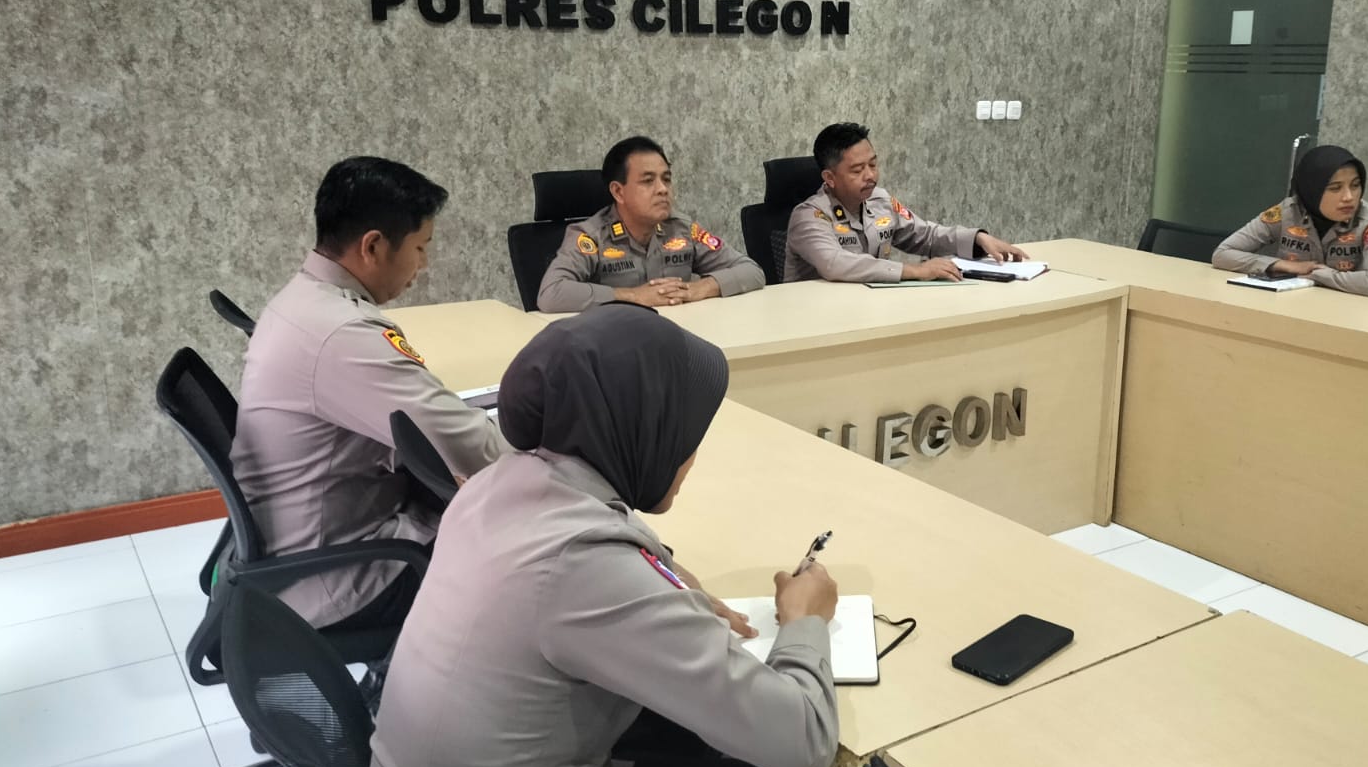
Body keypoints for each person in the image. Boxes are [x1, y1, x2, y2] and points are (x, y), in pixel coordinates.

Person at [367, 305, 840, 767]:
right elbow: (806, 741)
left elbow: (589, 567)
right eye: (685, 434)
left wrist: (662, 582)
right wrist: (805, 619)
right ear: (641, 431)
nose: (691, 456)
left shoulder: (495, 486)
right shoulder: (582, 565)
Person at [230, 157, 502, 630]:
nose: (424, 264)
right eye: (421, 247)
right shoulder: (341, 334)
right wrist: (554, 457)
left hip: (303, 543)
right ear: (373, 246)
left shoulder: (302, 300)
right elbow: (466, 445)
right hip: (334, 575)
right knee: (524, 552)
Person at [536, 136, 766, 312]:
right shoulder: (590, 237)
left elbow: (752, 271)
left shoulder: (683, 229)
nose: (663, 189)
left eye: (666, 179)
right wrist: (633, 296)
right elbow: (551, 294)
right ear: (618, 192)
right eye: (648, 181)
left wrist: (700, 288)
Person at [784, 121, 1028, 283]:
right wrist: (914, 271)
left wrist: (977, 239)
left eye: (873, 164)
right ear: (830, 178)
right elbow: (834, 264)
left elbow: (925, 236)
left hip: (871, 310)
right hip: (819, 321)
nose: (870, 175)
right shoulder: (809, 216)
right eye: (857, 170)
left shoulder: (881, 200)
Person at [1212, 145, 1368, 297]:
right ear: (1311, 190)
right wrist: (1283, 265)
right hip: (1293, 306)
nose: (1348, 197)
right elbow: (1223, 254)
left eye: (1355, 185)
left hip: (1351, 313)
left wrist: (1319, 274)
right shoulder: (1287, 212)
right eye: (1335, 188)